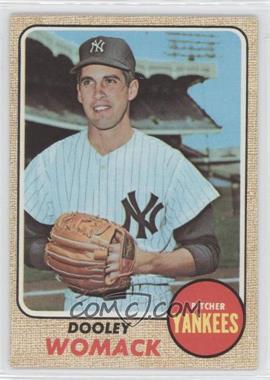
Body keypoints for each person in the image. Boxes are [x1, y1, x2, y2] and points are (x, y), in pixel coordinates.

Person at [24, 35, 220, 317]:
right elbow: (24, 243)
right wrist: (57, 257)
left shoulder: (169, 163)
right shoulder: (48, 163)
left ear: (132, 89)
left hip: (150, 316)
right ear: (78, 93)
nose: (98, 92)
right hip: (77, 322)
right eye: (88, 82)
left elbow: (207, 251)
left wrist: (146, 263)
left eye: (110, 81)